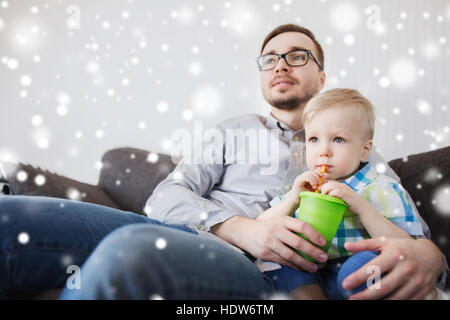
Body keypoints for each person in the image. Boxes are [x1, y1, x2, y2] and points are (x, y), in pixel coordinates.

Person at [0, 24, 445, 300]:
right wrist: (240, 228)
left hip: (251, 270)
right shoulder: (232, 130)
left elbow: (414, 235)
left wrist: (432, 259)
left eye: (297, 55)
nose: (280, 64)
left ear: (321, 76)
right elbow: (165, 196)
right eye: (269, 58)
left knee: (129, 253)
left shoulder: (354, 148)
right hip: (197, 234)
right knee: (10, 216)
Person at [256, 87, 438, 299]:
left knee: (365, 264)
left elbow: (406, 244)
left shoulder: (384, 189)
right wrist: (292, 200)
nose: (323, 150)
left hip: (357, 271)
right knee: (281, 264)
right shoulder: (303, 188)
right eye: (314, 139)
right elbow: (261, 225)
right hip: (312, 274)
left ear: (364, 149)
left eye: (338, 139)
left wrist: (360, 205)